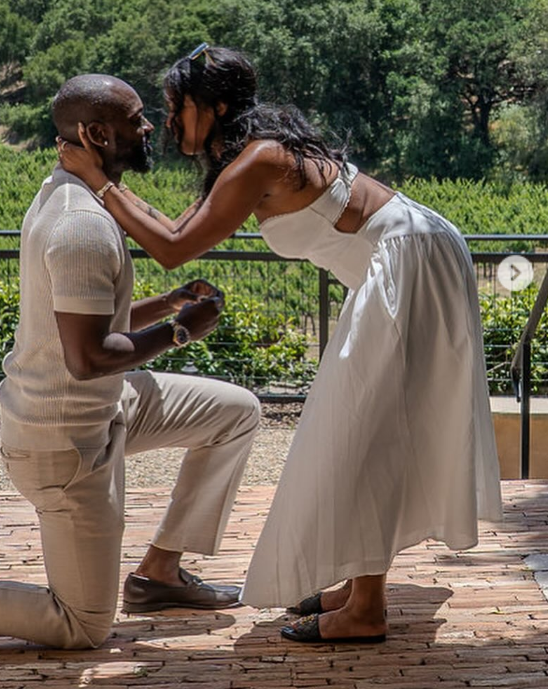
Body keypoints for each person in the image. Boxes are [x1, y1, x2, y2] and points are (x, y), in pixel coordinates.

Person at [56, 44, 503, 645]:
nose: (167, 122)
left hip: (411, 260)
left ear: (214, 107)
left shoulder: (261, 158)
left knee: (364, 431)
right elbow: (176, 229)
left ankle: (366, 607)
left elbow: (171, 248)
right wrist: (106, 184)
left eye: (176, 107)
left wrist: (96, 181)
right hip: (409, 257)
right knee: (365, 428)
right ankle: (358, 589)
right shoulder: (249, 158)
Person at [0, 73, 261, 652]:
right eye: (135, 119)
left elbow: (89, 324)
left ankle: (161, 572)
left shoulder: (66, 191)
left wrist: (167, 303)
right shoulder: (81, 225)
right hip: (65, 443)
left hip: (107, 404)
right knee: (83, 624)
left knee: (235, 412)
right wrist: (181, 330)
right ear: (96, 135)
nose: (148, 127)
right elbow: (89, 357)